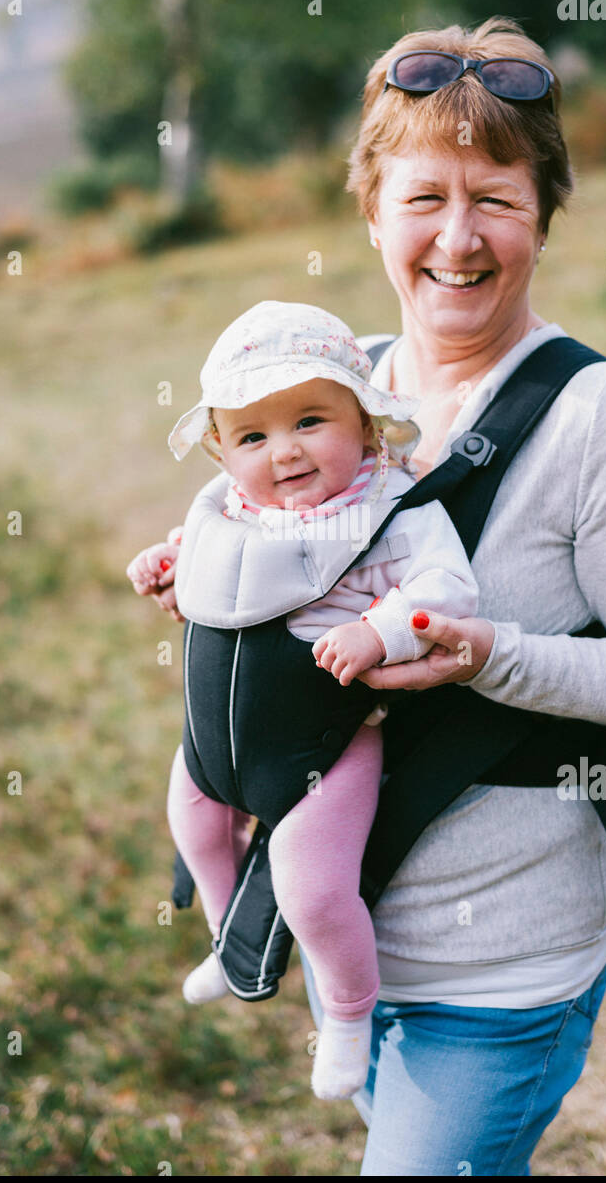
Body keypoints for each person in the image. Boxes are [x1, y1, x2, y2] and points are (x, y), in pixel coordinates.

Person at [140, 16, 606, 1175]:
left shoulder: (599, 418)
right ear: (369, 212)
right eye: (422, 199)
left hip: (501, 974)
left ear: (542, 217)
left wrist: (489, 654)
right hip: (353, 946)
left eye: (495, 200)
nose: (456, 240)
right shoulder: (324, 396)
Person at [127, 299, 479, 1099]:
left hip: (324, 747)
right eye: (252, 436)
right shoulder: (234, 506)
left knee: (315, 891)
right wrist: (164, 564)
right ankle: (230, 941)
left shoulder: (387, 509)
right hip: (215, 745)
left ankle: (349, 1015)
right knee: (194, 823)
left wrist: (382, 630)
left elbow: (447, 586)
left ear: (363, 421)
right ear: (221, 449)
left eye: (310, 421)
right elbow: (201, 552)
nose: (282, 452)